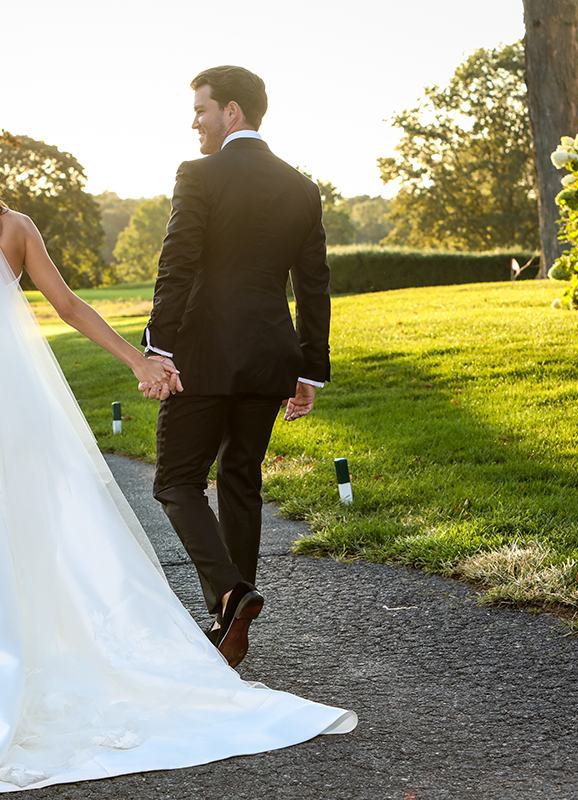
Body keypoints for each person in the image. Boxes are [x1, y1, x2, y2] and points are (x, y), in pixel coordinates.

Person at [0, 116, 354, 798]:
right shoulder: (15, 227)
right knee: (25, 507)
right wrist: (138, 360)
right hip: (10, 381)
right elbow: (68, 304)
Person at [141, 66, 332, 669]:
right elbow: (315, 287)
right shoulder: (301, 187)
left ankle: (232, 593)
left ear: (232, 113)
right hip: (271, 356)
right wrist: (310, 368)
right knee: (241, 480)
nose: (193, 121)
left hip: (202, 354)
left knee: (175, 480)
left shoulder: (199, 174)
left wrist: (159, 346)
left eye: (200, 109)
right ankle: (230, 623)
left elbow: (178, 262)